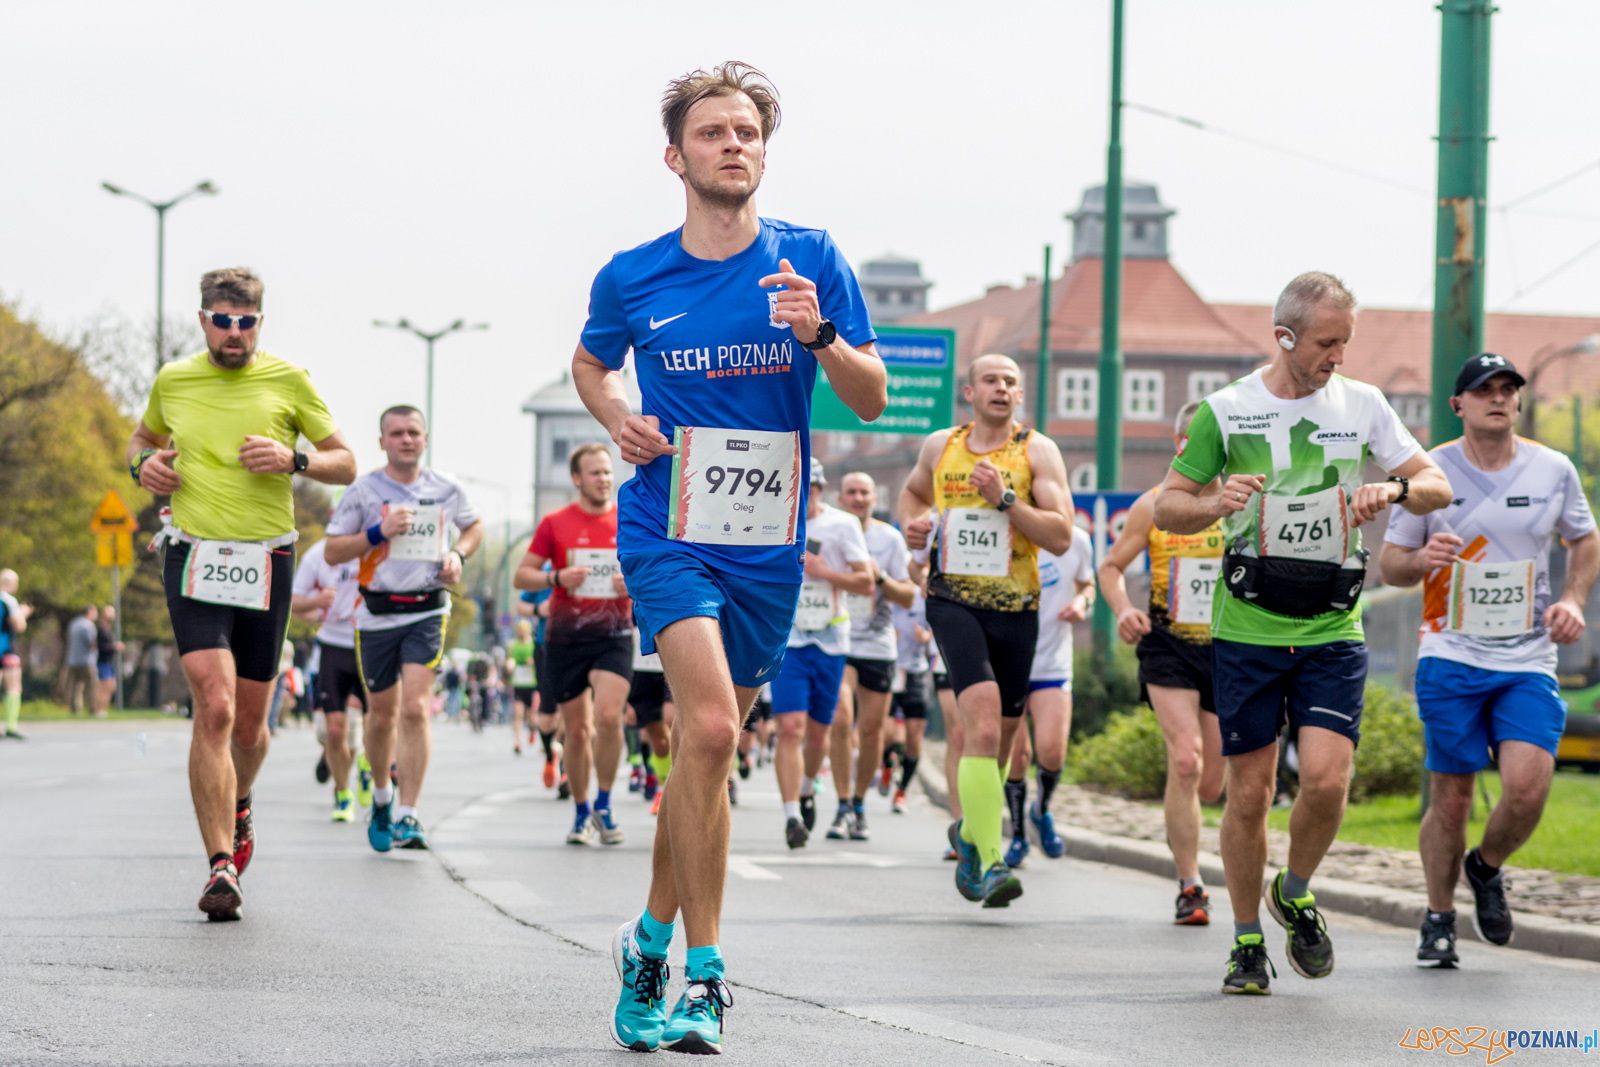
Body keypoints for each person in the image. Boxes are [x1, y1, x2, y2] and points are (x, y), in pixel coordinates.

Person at [575, 62, 884, 1054]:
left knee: (708, 754)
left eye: (746, 130)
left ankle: (647, 937)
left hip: (766, 546)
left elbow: (870, 395)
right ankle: (707, 978)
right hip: (666, 526)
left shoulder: (811, 257)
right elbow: (589, 357)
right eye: (711, 133)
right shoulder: (633, 274)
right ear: (677, 156)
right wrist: (616, 415)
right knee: (708, 722)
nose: (732, 144)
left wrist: (821, 334)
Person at [1153, 271, 1451, 994]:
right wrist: (1213, 501)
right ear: (1284, 337)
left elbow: (1438, 482)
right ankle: (1248, 939)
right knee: (1250, 795)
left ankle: (1296, 886)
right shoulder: (1227, 411)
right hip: (1250, 624)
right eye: (1326, 341)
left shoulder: (1365, 404)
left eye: (1346, 341)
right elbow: (1167, 505)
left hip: (1331, 621)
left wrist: (1395, 489)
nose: (1338, 356)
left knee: (1325, 777)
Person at [126, 266, 355, 920]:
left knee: (250, 727)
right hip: (192, 552)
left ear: (260, 322)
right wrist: (141, 465)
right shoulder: (174, 379)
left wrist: (295, 460)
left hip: (267, 558)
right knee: (217, 705)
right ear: (203, 320)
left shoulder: (289, 380)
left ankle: (240, 800)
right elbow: (142, 440)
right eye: (221, 320)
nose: (233, 332)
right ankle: (220, 863)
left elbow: (345, 460)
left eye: (245, 321)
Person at [1380, 352, 1599, 966]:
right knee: (1451, 797)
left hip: (1528, 656)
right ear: (1459, 405)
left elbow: (1584, 536)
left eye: (1508, 389)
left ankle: (1485, 866)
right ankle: (1439, 917)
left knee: (1528, 788)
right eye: (1484, 390)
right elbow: (1391, 564)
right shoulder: (1430, 475)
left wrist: (1574, 600)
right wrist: (1422, 561)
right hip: (1450, 650)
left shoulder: (1552, 469)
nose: (1498, 398)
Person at [900, 353, 1075, 909]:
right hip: (952, 599)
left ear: (1019, 395)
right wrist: (914, 528)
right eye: (992, 381)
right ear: (969, 391)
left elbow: (1062, 535)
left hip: (1017, 606)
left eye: (1012, 382)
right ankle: (994, 861)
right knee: (977, 726)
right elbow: (911, 495)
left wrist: (1005, 498)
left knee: (1001, 742)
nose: (1002, 389)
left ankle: (970, 836)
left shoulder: (1036, 451)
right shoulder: (940, 445)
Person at [323, 405, 482, 853]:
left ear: (425, 438)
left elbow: (474, 527)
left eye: (413, 432)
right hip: (376, 613)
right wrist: (378, 532)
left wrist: (459, 556)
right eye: (396, 433)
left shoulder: (447, 488)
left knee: (415, 708)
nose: (406, 439)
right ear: (382, 442)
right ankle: (381, 797)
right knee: (382, 716)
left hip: (428, 610)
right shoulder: (363, 490)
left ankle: (409, 814)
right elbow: (333, 552)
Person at [1098, 399, 1228, 925]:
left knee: (1214, 782)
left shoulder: (1241, 502)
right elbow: (1110, 567)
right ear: (1181, 446)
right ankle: (1190, 882)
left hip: (1228, 646)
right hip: (1168, 644)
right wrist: (1124, 610)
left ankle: (1190, 841)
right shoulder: (1153, 505)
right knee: (1186, 760)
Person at [514, 443, 634, 846]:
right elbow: (522, 576)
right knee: (578, 731)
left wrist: (631, 584)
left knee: (607, 716)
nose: (603, 478)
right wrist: (556, 578)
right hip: (565, 636)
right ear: (577, 479)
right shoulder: (555, 523)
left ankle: (604, 802)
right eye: (594, 473)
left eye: (607, 471)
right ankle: (582, 811)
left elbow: (655, 571)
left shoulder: (630, 519)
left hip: (614, 634)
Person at [774, 460, 873, 846]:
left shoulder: (842, 525)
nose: (804, 494)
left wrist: (824, 571)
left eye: (811, 487)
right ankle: (791, 816)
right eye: (798, 486)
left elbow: (866, 583)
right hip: (789, 640)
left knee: (818, 735)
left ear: (821, 488)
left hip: (830, 639)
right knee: (790, 728)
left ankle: (807, 788)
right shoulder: (775, 521)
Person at [1002, 521, 1094, 869]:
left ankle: (1040, 810)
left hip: (1051, 662)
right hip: (1008, 660)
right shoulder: (1003, 531)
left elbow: (1088, 585)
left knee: (1052, 752)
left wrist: (1082, 602)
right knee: (1018, 756)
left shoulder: (1076, 540)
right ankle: (1019, 836)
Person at [832, 472, 916, 841]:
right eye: (851, 491)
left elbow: (909, 597)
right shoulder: (830, 531)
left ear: (873, 498)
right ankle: (841, 802)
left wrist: (879, 579)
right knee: (840, 718)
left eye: (865, 491)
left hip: (878, 645)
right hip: (837, 639)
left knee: (871, 733)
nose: (858, 497)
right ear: (841, 497)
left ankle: (860, 803)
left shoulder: (890, 539)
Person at [291, 537, 367, 821]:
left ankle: (370, 765)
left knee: (373, 721)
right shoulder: (318, 554)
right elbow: (295, 602)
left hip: (372, 642)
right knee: (333, 731)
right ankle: (343, 792)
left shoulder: (379, 544)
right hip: (333, 646)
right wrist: (318, 603)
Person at [889, 590, 936, 813]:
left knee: (913, 739)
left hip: (917, 673)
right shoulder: (888, 592)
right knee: (887, 734)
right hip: (890, 669)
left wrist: (927, 639)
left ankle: (901, 791)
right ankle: (887, 764)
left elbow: (939, 632)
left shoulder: (926, 596)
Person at [1, 568, 33, 739]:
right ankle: (11, 726)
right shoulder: (8, 601)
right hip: (6, 649)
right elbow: (19, 625)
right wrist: (24, 613)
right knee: (13, 687)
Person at [508, 620, 538, 755]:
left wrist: (533, 662)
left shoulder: (533, 645)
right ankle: (518, 741)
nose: (521, 631)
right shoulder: (512, 645)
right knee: (518, 713)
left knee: (532, 715)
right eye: (519, 629)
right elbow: (510, 659)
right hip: (518, 683)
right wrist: (509, 665)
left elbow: (540, 661)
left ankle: (532, 729)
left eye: (523, 629)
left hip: (532, 684)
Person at [65, 605, 98, 716]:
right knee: (92, 685)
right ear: (89, 612)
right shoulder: (88, 625)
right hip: (86, 660)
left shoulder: (74, 623)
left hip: (73, 659)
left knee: (76, 686)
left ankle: (75, 710)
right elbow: (91, 642)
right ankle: (93, 709)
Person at [94, 605, 123, 716]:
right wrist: (114, 646)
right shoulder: (101, 630)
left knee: (111, 687)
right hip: (103, 662)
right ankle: (99, 710)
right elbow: (101, 646)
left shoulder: (108, 629)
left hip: (109, 662)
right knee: (103, 686)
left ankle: (103, 710)